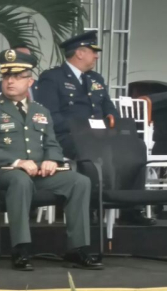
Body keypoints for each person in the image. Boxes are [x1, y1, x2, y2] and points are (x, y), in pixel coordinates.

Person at [0, 49, 103, 271]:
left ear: (30, 81)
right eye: (6, 76)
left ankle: (77, 249)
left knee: (80, 181)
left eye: (16, 77)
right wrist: (18, 162)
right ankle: (21, 249)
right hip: (1, 175)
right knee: (20, 180)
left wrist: (52, 159)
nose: (10, 81)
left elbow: (52, 143)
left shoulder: (40, 111)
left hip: (38, 175)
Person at [37, 31, 153, 226]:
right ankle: (89, 206)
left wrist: (112, 118)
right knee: (89, 150)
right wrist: (83, 127)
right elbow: (50, 117)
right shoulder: (53, 77)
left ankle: (131, 208)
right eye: (93, 51)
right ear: (80, 53)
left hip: (101, 135)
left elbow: (110, 109)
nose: (97, 56)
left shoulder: (96, 79)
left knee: (136, 147)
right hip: (68, 136)